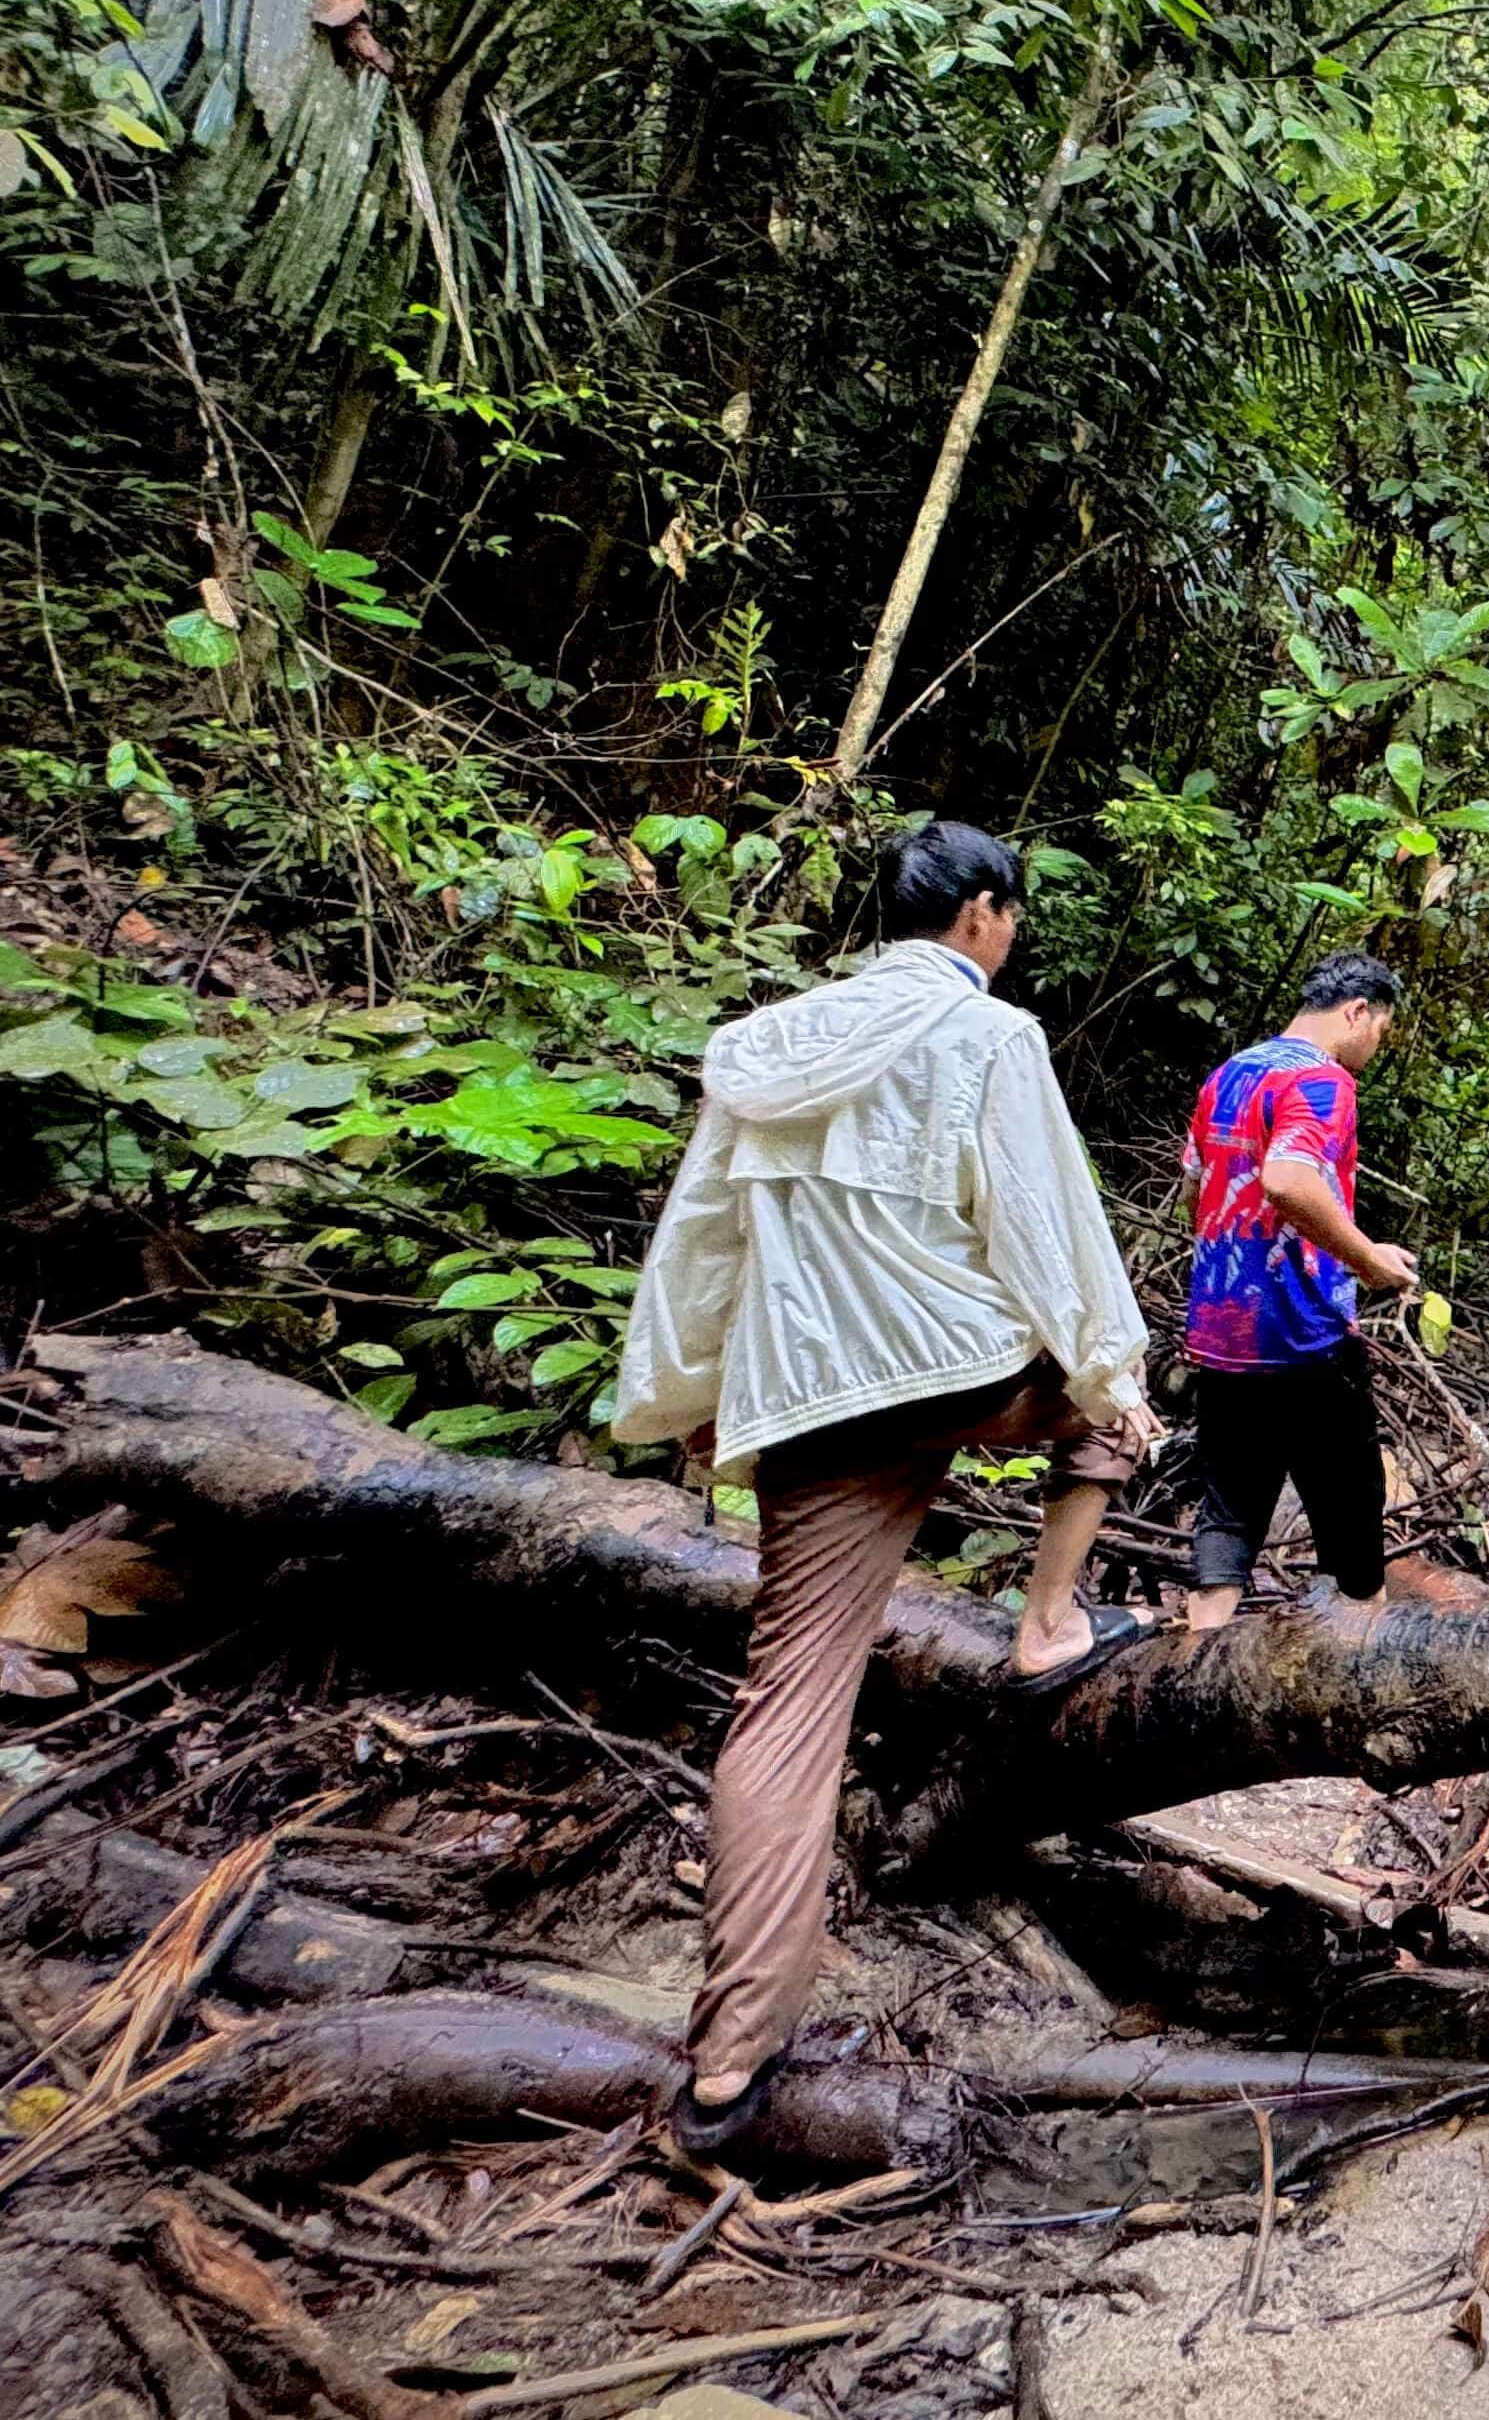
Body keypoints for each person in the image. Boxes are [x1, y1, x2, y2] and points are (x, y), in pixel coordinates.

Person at [614, 821, 1159, 2157]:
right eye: (1010, 914)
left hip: (809, 1399)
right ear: (981, 911)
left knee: (788, 1701)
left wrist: (693, 1395)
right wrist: (1112, 1376)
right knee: (1112, 1402)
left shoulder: (777, 1046)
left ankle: (729, 2064)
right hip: (958, 1375)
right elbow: (1048, 1229)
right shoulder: (988, 1037)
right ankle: (1049, 1624)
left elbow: (706, 1230)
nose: (1011, 934)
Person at [1179, 951, 1419, 1632]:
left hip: (1220, 1329)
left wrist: (1349, 1243)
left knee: (1230, 1508)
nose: (1376, 1044)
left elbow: (1197, 1187)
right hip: (1300, 1330)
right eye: (1381, 1029)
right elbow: (1287, 1181)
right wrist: (1368, 1260)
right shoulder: (1323, 1080)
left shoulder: (1229, 1074)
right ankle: (1360, 1661)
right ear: (1356, 1013)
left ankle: (1200, 1653)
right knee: (1351, 1507)